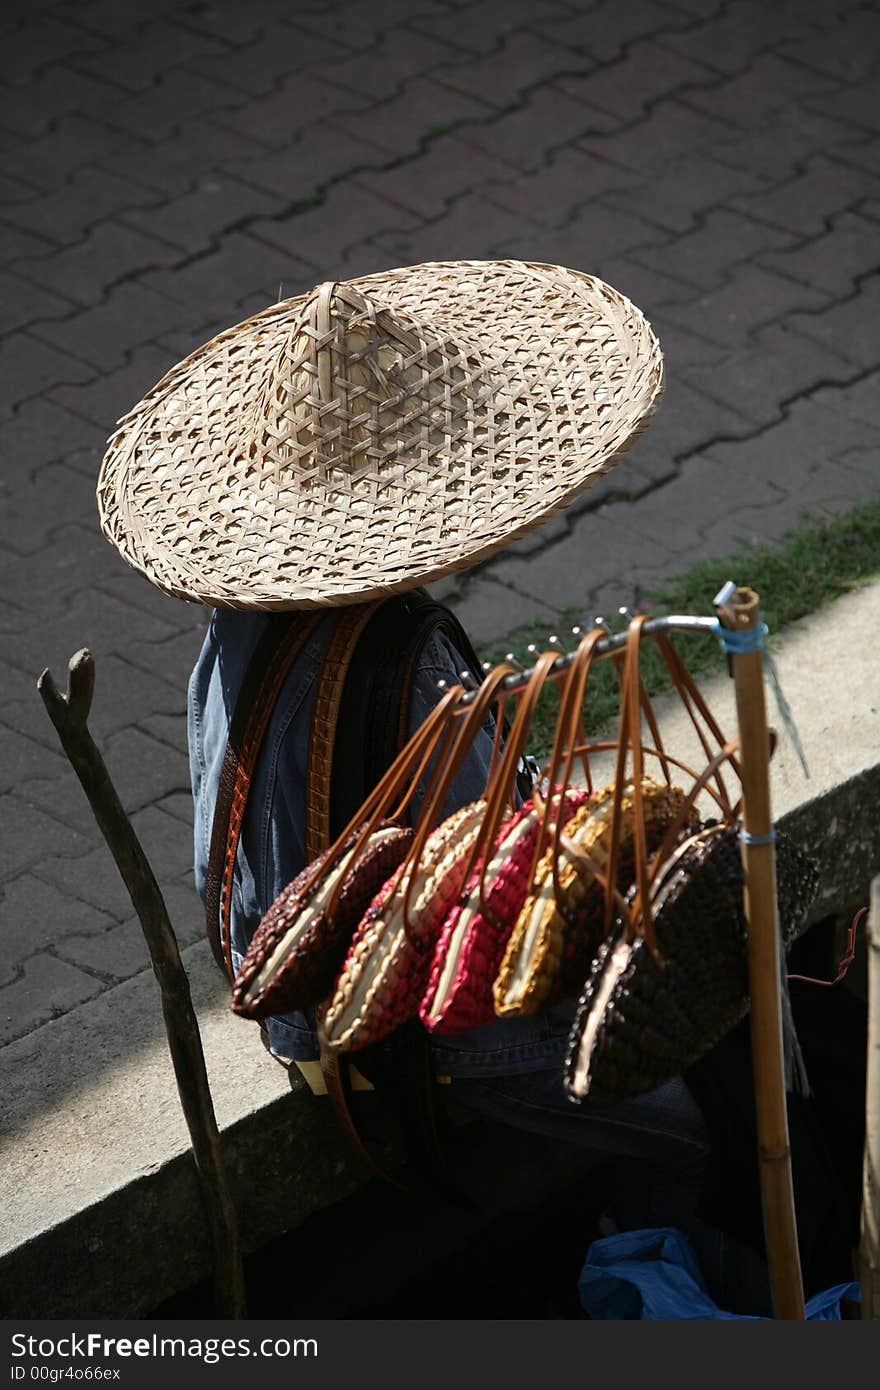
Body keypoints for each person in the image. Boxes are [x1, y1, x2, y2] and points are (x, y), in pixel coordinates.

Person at [97, 259, 777, 1312]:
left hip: (263, 946)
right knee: (703, 1130)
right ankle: (676, 1299)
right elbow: (491, 895)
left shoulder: (239, 617)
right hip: (400, 1010)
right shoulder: (407, 662)